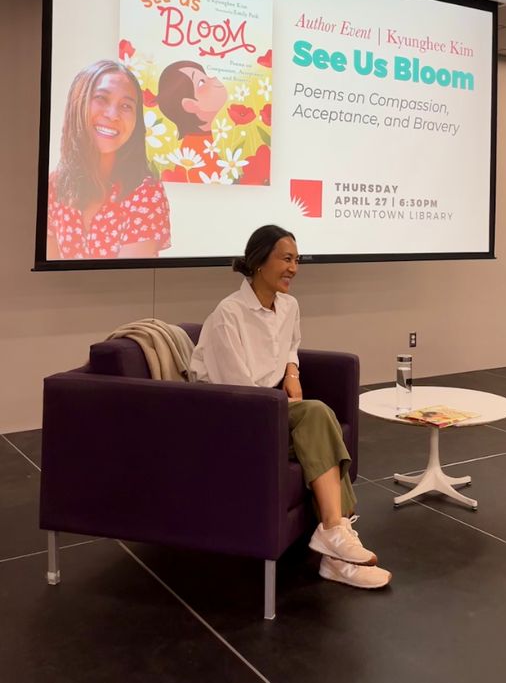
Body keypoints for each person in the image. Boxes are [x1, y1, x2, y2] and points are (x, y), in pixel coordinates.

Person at [190, 224, 392, 590]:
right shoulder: (228, 315)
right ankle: (337, 540)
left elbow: (290, 345)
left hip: (270, 405)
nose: (294, 268)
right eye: (286, 259)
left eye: (297, 260)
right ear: (258, 262)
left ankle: (336, 544)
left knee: (318, 422)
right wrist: (282, 403)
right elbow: (236, 390)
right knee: (316, 414)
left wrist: (292, 370)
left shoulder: (289, 306)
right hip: (233, 415)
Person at [47, 60, 171, 260]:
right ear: (78, 103)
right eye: (101, 98)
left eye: (125, 106)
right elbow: (48, 278)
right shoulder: (54, 186)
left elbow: (127, 283)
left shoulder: (145, 191)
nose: (113, 115)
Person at [156, 60, 227, 183]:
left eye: (207, 76)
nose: (215, 78)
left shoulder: (204, 139)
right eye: (201, 83)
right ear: (190, 105)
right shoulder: (194, 153)